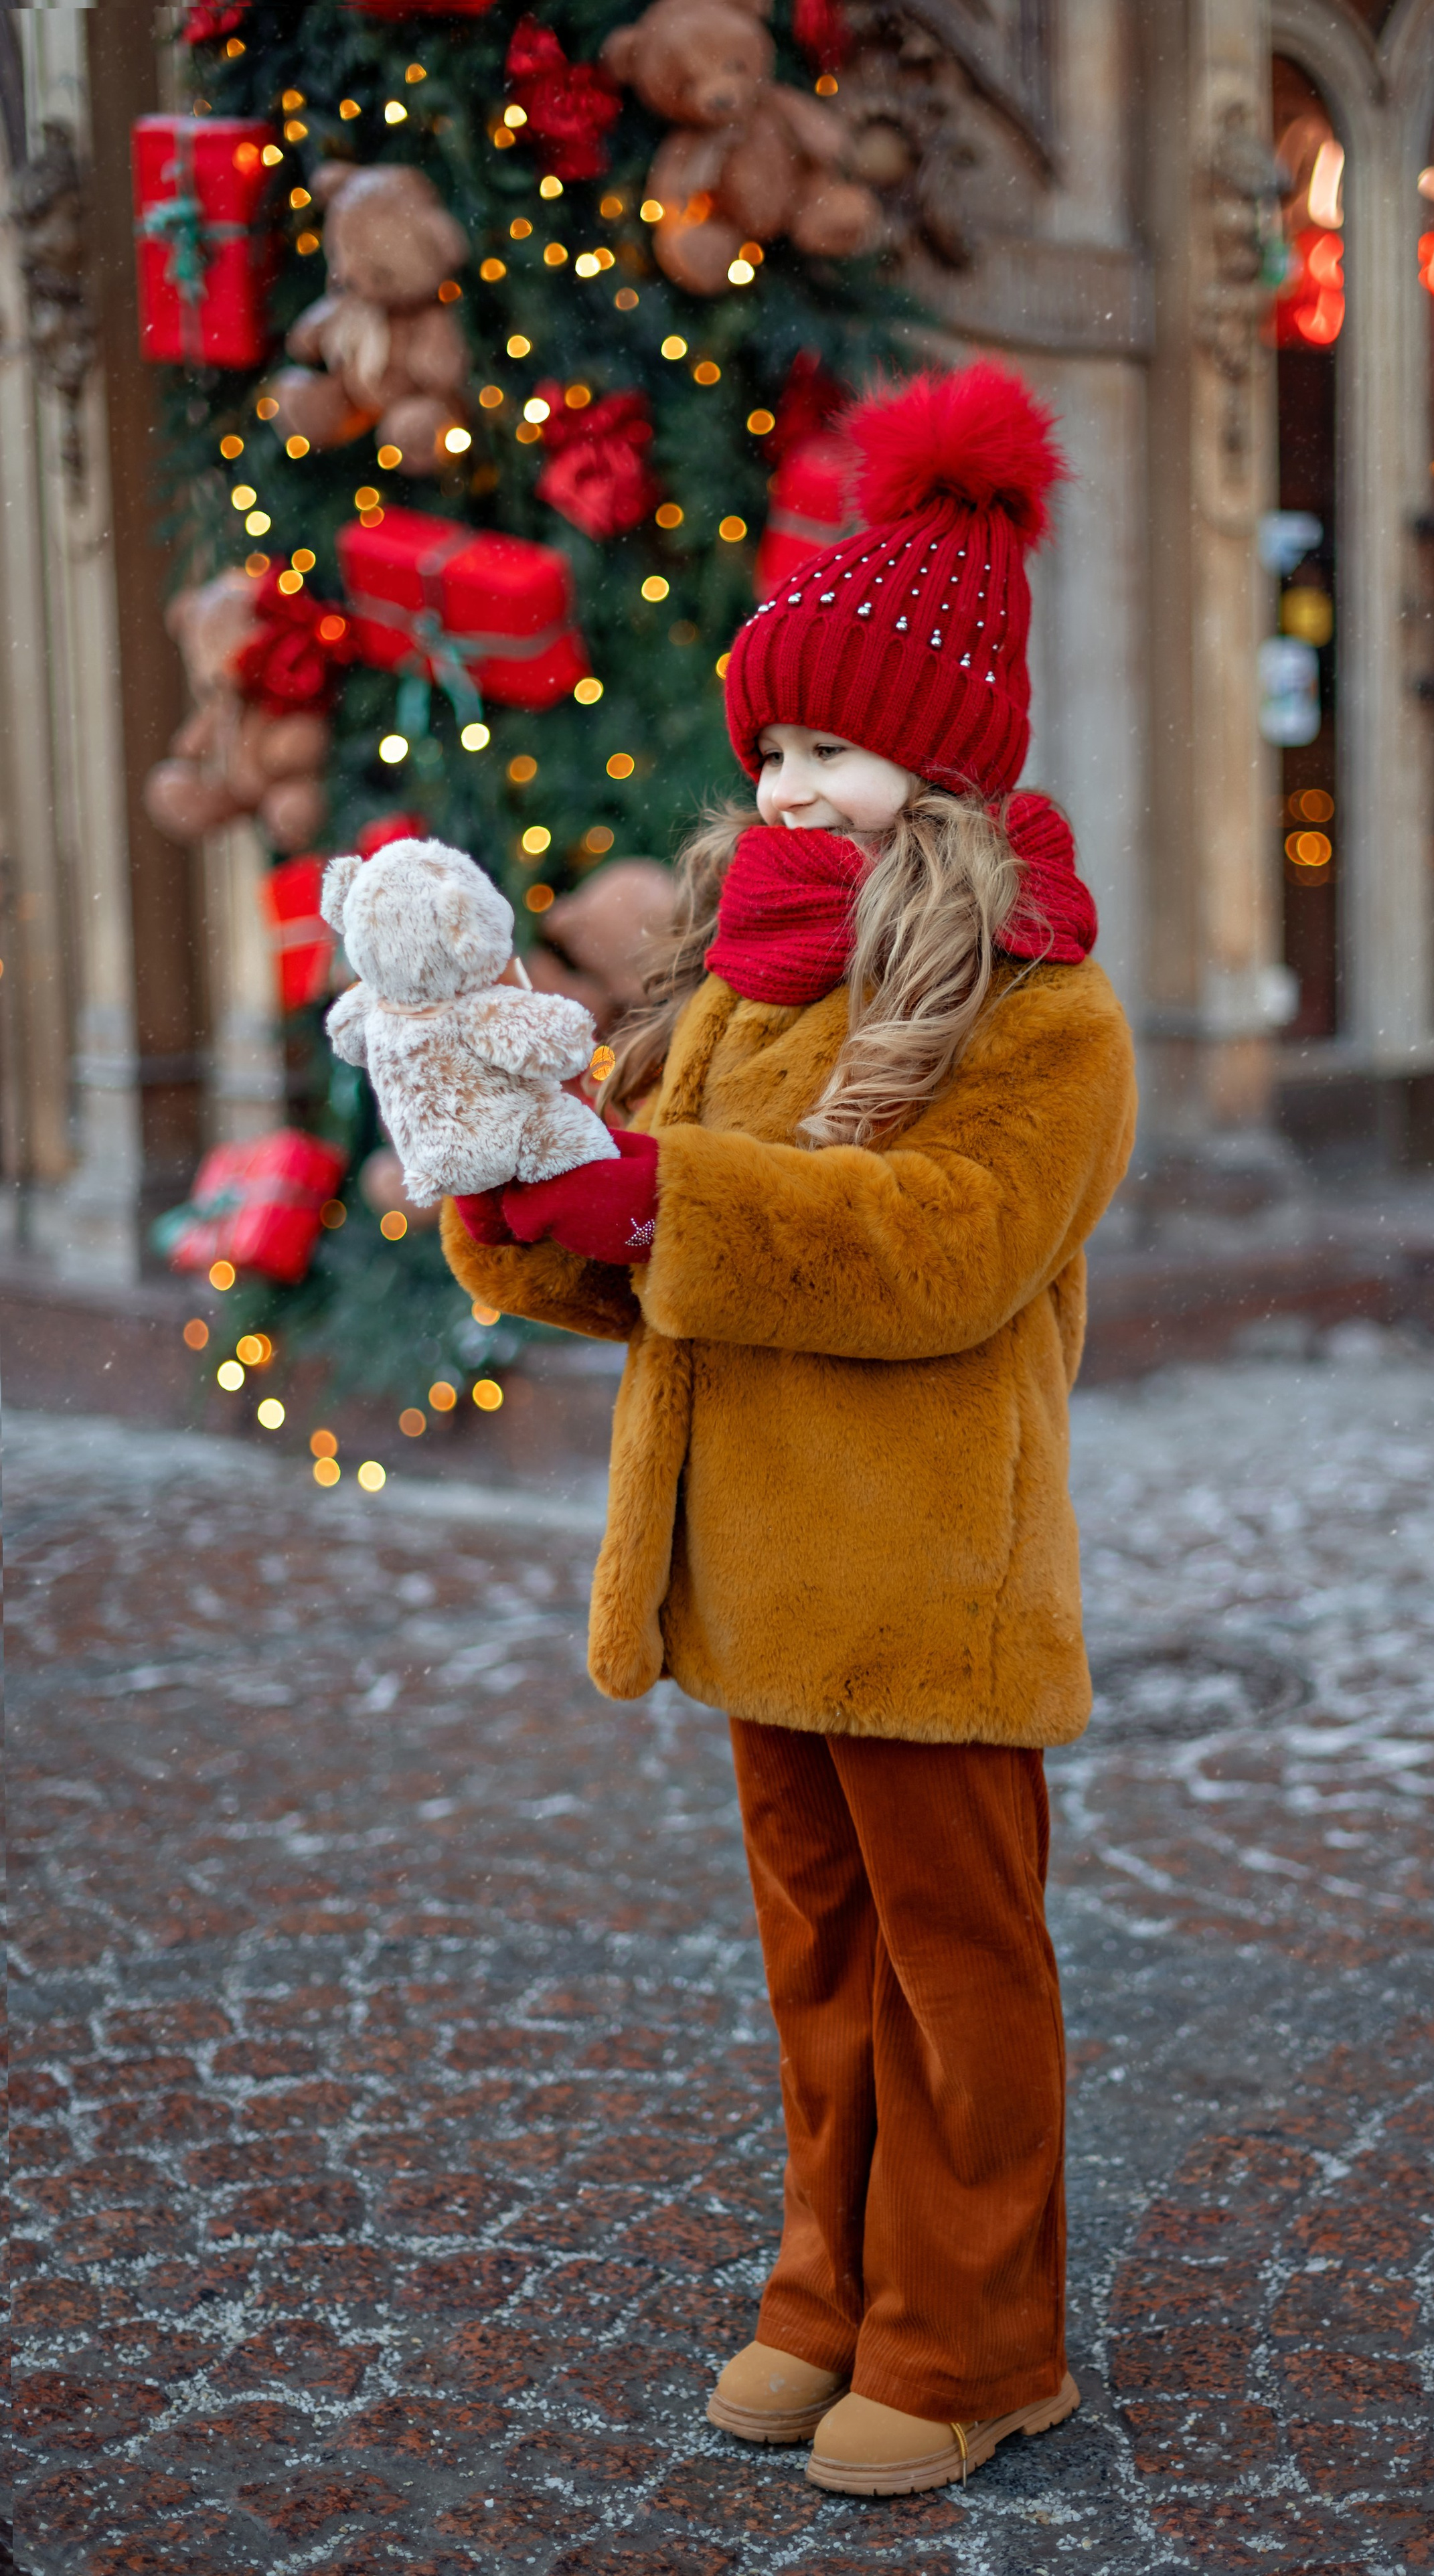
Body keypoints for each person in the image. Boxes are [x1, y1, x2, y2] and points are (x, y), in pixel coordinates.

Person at [442, 361, 1137, 2497]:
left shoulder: (1037, 1006)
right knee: (817, 1957)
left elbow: (933, 1247)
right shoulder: (742, 984)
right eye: (777, 746)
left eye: (830, 743)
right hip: (751, 1569)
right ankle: (827, 2289)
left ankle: (976, 2333)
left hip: (925, 1586)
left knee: (953, 1967)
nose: (793, 781)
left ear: (935, 761)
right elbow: (644, 1234)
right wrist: (523, 1177)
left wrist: (665, 1202)